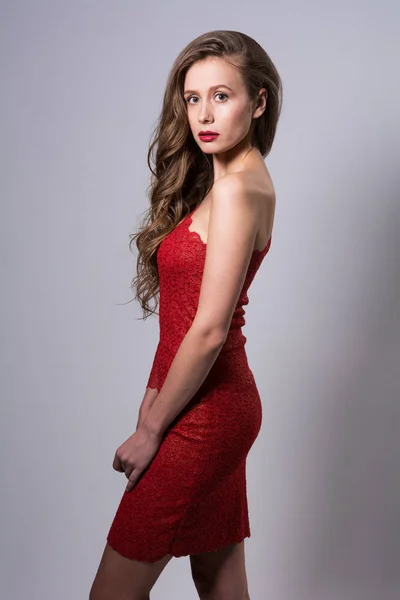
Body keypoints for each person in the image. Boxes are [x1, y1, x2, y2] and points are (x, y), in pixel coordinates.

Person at [89, 29, 282, 600]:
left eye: (222, 96)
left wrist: (151, 428)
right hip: (210, 401)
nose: (203, 113)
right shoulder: (230, 183)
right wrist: (154, 394)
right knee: (218, 580)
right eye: (193, 98)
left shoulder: (237, 192)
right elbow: (184, 319)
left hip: (208, 413)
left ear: (259, 101)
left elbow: (208, 328)